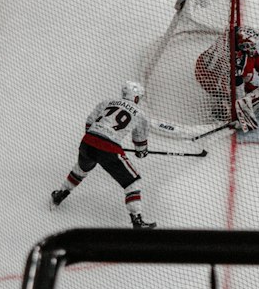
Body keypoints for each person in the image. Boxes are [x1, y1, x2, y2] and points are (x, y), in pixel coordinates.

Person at [50, 81, 170, 228]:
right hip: (109, 148)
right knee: (132, 182)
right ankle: (137, 220)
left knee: (81, 169)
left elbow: (89, 122)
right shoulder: (140, 114)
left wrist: (97, 137)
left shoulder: (107, 102)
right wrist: (141, 151)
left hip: (87, 142)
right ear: (137, 98)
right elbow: (140, 140)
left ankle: (60, 194)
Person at [195, 26, 259, 131]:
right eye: (248, 45)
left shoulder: (243, 49)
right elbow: (231, 82)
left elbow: (257, 61)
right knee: (238, 96)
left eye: (252, 45)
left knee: (251, 82)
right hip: (217, 83)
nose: (251, 48)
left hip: (223, 79)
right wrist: (238, 102)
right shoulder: (229, 58)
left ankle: (232, 105)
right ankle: (226, 108)